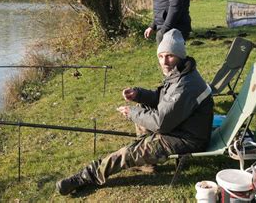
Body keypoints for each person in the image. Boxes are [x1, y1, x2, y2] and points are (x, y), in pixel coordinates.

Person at [56, 29, 214, 195]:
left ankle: (86, 176)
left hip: (187, 138)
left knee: (128, 152)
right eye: (161, 56)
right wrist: (139, 94)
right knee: (143, 109)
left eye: (170, 56)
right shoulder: (180, 73)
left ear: (180, 56)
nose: (164, 61)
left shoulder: (185, 84)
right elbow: (163, 100)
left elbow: (160, 122)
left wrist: (131, 113)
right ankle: (146, 160)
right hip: (182, 128)